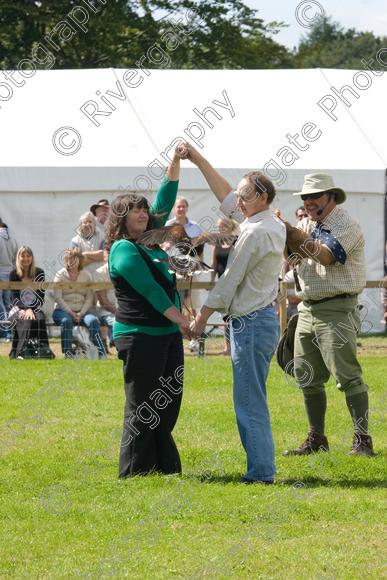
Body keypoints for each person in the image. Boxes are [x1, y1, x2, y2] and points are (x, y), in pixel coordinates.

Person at [184, 142, 286, 484]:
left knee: (248, 400)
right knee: (251, 396)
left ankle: (261, 472)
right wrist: (197, 159)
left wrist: (200, 319)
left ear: (262, 198)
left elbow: (228, 281)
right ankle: (262, 468)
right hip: (260, 321)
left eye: (244, 197)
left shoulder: (255, 232)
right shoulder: (269, 223)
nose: (236, 203)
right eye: (239, 196)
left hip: (251, 322)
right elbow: (227, 195)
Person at [105, 146, 191, 478]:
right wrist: (182, 321)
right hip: (139, 337)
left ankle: (162, 466)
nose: (145, 215)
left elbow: (165, 200)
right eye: (136, 212)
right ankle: (135, 471)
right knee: (142, 405)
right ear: (122, 218)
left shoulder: (150, 240)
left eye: (145, 211)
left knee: (168, 403)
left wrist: (176, 160)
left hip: (167, 336)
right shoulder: (123, 249)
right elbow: (151, 291)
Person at [280, 173, 374, 456]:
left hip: (337, 308)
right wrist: (287, 236)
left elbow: (325, 256)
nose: (309, 202)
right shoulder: (307, 223)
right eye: (305, 197)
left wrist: (291, 232)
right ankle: (316, 439)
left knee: (347, 376)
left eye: (315, 196)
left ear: (332, 197)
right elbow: (292, 255)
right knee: (306, 376)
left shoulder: (347, 225)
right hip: (307, 307)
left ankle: (362, 439)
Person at [52, 247, 106, 359]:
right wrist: (71, 313)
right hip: (62, 311)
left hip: (83, 311)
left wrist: (81, 313)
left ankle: (102, 353)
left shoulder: (87, 275)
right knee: (66, 321)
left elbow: (89, 297)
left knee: (92, 321)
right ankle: (68, 354)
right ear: (66, 260)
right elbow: (58, 297)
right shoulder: (60, 275)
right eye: (70, 258)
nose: (72, 261)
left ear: (80, 260)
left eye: (75, 259)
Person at [167, 196, 203, 352]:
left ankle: (194, 340)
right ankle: (174, 340)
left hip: (192, 273)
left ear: (187, 208)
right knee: (175, 306)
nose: (180, 209)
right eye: (178, 207)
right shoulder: (168, 226)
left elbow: (200, 251)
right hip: (173, 273)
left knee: (193, 306)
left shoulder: (195, 227)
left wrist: (197, 271)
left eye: (183, 206)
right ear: (174, 209)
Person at [8, 246, 54, 359]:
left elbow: (41, 297)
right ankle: (22, 351)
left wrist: (30, 309)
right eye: (22, 256)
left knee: (39, 318)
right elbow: (14, 298)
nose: (25, 258)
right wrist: (25, 309)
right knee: (25, 320)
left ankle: (43, 350)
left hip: (35, 307)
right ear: (18, 258)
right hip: (17, 307)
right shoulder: (13, 274)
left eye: (28, 256)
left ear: (32, 258)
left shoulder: (40, 273)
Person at [210, 217, 239, 355]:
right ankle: (227, 348)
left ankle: (237, 346)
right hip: (221, 283)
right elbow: (213, 264)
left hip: (235, 283)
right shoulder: (216, 243)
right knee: (225, 316)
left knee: (236, 314)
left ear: (228, 226)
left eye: (221, 226)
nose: (219, 229)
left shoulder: (237, 240)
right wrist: (211, 282)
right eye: (218, 226)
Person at [70, 211, 105, 278]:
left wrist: (84, 255)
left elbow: (103, 255)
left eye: (90, 222)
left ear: (94, 224)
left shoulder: (102, 237)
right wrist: (96, 257)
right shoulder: (75, 241)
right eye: (85, 222)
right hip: (82, 278)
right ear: (80, 225)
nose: (87, 224)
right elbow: (75, 262)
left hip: (101, 277)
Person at [0, 216, 18, 342]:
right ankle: (10, 333)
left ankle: (4, 333)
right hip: (10, 273)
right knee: (8, 305)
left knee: (1, 305)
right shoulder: (13, 238)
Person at [95, 251, 117, 349]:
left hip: (122, 309)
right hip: (105, 311)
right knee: (117, 322)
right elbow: (103, 301)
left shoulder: (123, 270)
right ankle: (115, 343)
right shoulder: (99, 273)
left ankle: (114, 341)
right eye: (109, 255)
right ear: (104, 258)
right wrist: (119, 312)